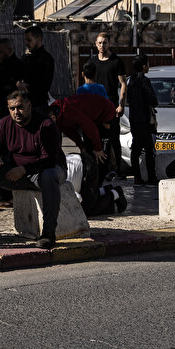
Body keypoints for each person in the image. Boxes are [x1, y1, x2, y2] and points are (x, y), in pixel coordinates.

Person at [0, 88, 65, 248]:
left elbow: (49, 159)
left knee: (49, 176)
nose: (16, 112)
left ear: (29, 105)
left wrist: (24, 169)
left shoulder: (46, 124)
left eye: (19, 107)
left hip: (46, 170)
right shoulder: (4, 124)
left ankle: (49, 233)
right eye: (12, 108)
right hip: (17, 173)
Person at [48, 93, 123, 215]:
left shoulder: (67, 111)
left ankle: (105, 188)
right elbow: (70, 132)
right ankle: (108, 192)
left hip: (104, 113)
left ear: (53, 117)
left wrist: (98, 148)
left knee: (101, 155)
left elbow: (89, 126)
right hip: (91, 121)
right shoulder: (58, 119)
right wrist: (81, 147)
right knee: (89, 151)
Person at [91, 32, 128, 174]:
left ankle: (117, 169)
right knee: (97, 137)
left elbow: (123, 84)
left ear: (109, 43)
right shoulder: (92, 62)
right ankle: (101, 169)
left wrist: (121, 105)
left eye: (105, 42)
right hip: (96, 106)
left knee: (113, 138)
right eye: (99, 43)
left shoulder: (116, 61)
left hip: (111, 105)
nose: (102, 45)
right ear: (95, 43)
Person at [126, 53, 159, 185]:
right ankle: (151, 177)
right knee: (149, 150)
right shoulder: (144, 81)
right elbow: (153, 100)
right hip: (144, 121)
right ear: (144, 66)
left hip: (134, 119)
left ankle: (137, 177)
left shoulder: (131, 80)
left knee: (136, 150)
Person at [0, 38, 23, 118]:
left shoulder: (17, 66)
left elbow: (12, 87)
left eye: (0, 52)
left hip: (8, 111)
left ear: (9, 51)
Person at [20, 26, 54, 111]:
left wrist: (27, 88)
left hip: (38, 106)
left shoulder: (46, 59)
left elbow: (45, 86)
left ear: (38, 39)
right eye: (26, 40)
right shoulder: (25, 57)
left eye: (29, 40)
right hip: (24, 105)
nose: (26, 43)